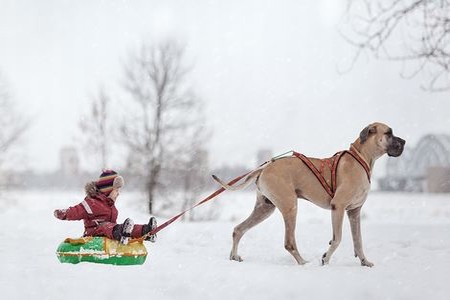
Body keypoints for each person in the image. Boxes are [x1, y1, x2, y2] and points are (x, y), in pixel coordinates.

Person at [54, 170, 157, 244]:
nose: (118, 194)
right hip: (92, 235)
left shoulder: (112, 207)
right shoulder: (91, 203)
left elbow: (113, 226)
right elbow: (75, 211)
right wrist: (63, 213)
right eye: (116, 190)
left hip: (110, 232)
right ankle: (122, 232)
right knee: (105, 226)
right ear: (108, 190)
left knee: (125, 228)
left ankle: (146, 231)